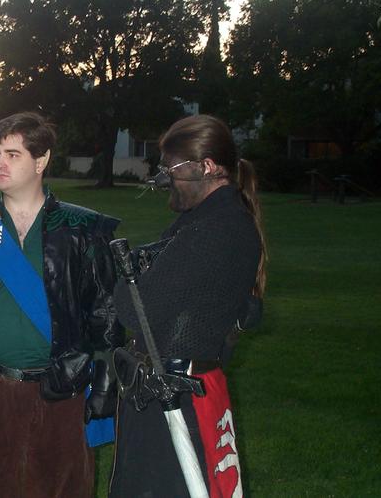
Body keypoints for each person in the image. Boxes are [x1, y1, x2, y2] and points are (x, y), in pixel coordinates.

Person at [0, 111, 123, 498]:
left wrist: (105, 381)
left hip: (61, 385)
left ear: (41, 160)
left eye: (13, 155)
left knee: (62, 488)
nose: (0, 163)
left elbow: (105, 310)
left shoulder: (82, 230)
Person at [108, 114, 267, 498]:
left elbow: (133, 309)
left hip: (176, 398)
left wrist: (129, 275)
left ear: (206, 167)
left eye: (171, 169)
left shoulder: (214, 230)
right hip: (171, 391)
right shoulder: (212, 221)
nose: (164, 178)